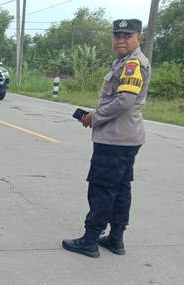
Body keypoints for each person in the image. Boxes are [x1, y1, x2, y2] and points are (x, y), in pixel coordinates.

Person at [62, 19, 151, 258]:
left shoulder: (133, 64)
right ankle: (116, 238)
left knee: (102, 188)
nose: (121, 40)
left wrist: (95, 117)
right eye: (117, 35)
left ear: (139, 38)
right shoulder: (123, 62)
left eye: (127, 35)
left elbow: (124, 101)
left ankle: (90, 240)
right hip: (124, 137)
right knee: (120, 188)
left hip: (115, 138)